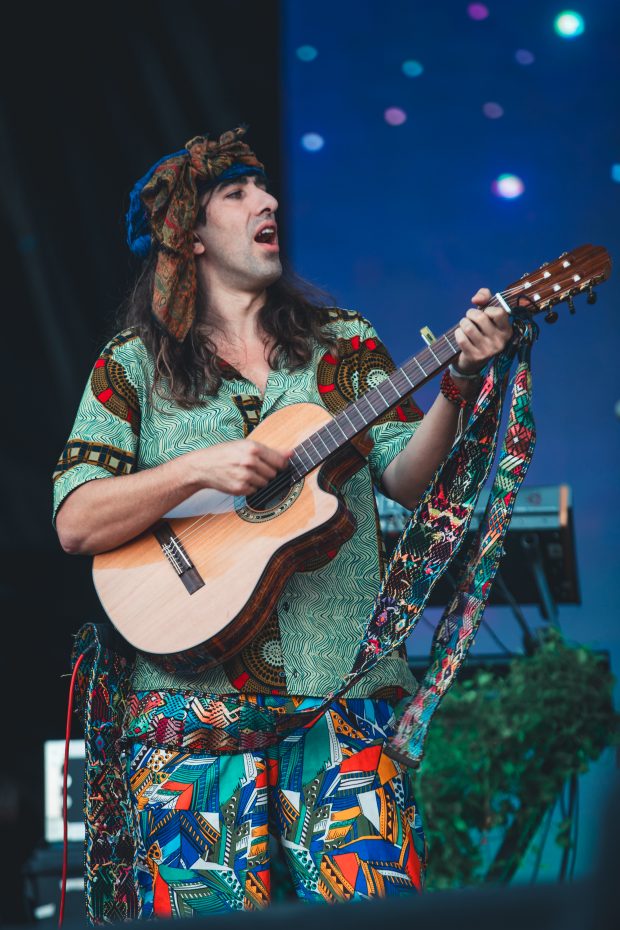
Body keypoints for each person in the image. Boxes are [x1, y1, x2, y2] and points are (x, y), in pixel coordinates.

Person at [53, 128, 512, 916]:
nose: (267, 201)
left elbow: (405, 475)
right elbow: (77, 519)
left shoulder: (346, 345)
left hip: (344, 701)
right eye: (236, 193)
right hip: (191, 722)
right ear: (187, 235)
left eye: (263, 188)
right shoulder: (131, 366)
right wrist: (195, 468)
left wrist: (461, 380)